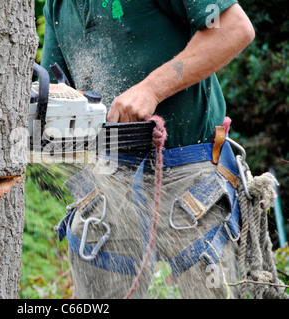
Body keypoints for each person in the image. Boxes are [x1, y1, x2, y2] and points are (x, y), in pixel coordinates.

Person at [41, 0, 255, 298]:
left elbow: (233, 29)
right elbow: (55, 90)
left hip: (189, 175)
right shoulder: (58, 5)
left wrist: (151, 88)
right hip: (109, 180)